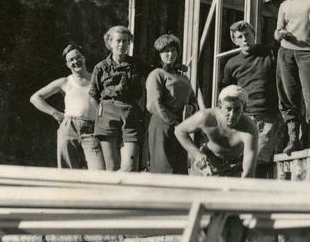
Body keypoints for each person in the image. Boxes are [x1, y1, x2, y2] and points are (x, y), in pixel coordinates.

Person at [222, 20, 284, 178]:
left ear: (254, 35)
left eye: (247, 35)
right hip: (242, 117)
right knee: (239, 161)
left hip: (266, 116)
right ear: (235, 41)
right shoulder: (232, 64)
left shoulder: (269, 53)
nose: (244, 39)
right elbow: (226, 93)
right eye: (240, 37)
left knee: (259, 160)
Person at [29, 43, 104, 170]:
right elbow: (35, 98)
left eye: (78, 57)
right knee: (67, 172)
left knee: (99, 170)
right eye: (71, 60)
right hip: (69, 127)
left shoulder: (96, 79)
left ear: (84, 58)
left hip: (92, 129)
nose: (75, 61)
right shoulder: (65, 81)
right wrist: (55, 113)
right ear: (67, 64)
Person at [274, 0, 310, 154]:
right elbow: (276, 32)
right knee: (288, 95)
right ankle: (293, 138)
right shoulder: (285, 4)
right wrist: (281, 33)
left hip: (307, 52)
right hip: (286, 52)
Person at [89, 24, 146, 172]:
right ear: (110, 42)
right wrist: (101, 111)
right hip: (107, 115)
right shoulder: (100, 67)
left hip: (131, 115)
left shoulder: (137, 64)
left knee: (130, 167)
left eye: (125, 41)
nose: (122, 44)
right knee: (112, 168)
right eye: (118, 41)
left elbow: (157, 73)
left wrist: (176, 67)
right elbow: (93, 94)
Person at [174, 84, 259, 178]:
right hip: (207, 165)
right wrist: (197, 155)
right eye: (228, 109)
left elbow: (248, 172)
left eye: (237, 109)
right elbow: (179, 131)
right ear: (220, 105)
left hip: (234, 170)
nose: (232, 115)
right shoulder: (206, 117)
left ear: (244, 107)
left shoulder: (250, 129)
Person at [145, 33, 195, 175]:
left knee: (179, 168)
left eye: (173, 50)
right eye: (165, 51)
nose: (170, 54)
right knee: (164, 167)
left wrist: (190, 112)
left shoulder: (183, 77)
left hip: (181, 126)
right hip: (163, 125)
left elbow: (193, 100)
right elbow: (154, 103)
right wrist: (173, 122)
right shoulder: (157, 74)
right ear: (159, 54)